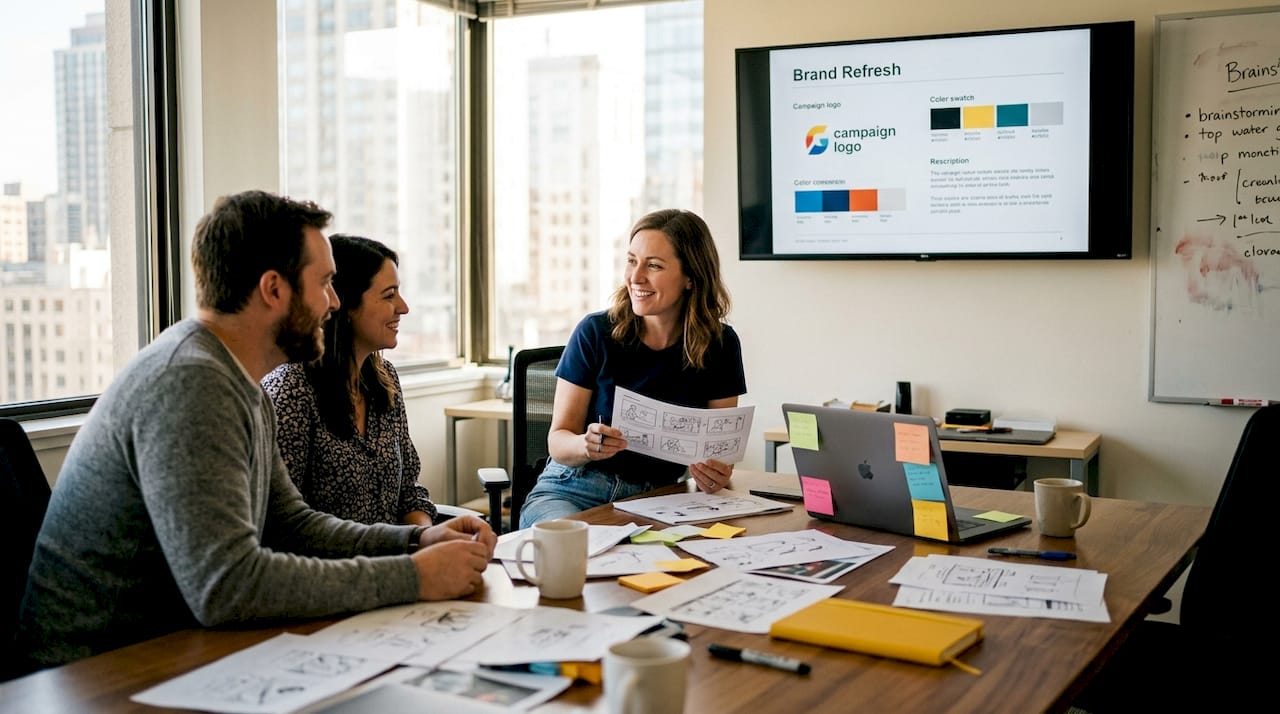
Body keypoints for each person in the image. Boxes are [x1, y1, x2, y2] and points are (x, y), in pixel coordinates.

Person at [15, 190, 496, 672]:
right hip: (95, 674)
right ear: (273, 290)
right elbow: (226, 586)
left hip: (172, 651)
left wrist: (414, 543)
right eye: (325, 283)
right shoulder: (191, 383)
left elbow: (293, 524)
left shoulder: (239, 381)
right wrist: (411, 577)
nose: (333, 302)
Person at [519, 209, 746, 528]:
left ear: (691, 277)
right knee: (577, 546)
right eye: (631, 260)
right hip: (573, 489)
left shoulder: (720, 344)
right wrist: (586, 444)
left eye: (653, 265)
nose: (635, 277)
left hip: (661, 500)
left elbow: (720, 455)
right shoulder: (594, 332)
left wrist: (716, 474)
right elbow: (558, 441)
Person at [263, 234, 436, 527]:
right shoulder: (291, 389)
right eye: (389, 295)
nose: (404, 307)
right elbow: (282, 525)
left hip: (395, 562)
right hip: (331, 570)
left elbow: (409, 493)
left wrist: (426, 540)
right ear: (346, 304)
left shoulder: (386, 380)